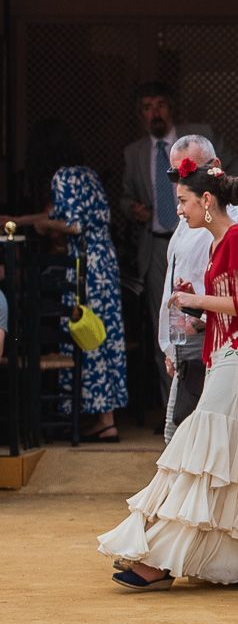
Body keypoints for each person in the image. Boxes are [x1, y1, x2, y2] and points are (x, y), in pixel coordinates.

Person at [98, 159, 238, 592]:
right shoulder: (223, 242)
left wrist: (197, 301)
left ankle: (160, 561)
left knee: (203, 455)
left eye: (183, 201)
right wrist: (201, 310)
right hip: (234, 354)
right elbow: (236, 305)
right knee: (235, 461)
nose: (179, 210)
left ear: (206, 200)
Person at [118, 83, 238, 410]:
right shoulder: (134, 152)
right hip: (159, 244)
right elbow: (125, 197)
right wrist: (135, 209)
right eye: (147, 107)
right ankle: (170, 404)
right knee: (168, 323)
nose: (154, 112)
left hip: (217, 332)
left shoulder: (233, 224)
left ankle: (183, 408)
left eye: (160, 104)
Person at [6, 158, 130, 441]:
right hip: (104, 263)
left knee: (86, 333)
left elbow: (73, 225)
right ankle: (104, 418)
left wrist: (42, 225)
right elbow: (61, 215)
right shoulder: (88, 177)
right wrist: (21, 221)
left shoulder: (63, 177)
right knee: (102, 334)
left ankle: (104, 420)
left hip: (87, 267)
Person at [159, 136, 238, 443]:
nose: (181, 184)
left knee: (192, 441)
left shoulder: (237, 230)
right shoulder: (195, 220)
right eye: (175, 175)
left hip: (220, 345)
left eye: (188, 174)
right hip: (191, 340)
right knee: (187, 441)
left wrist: (197, 304)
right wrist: (172, 342)